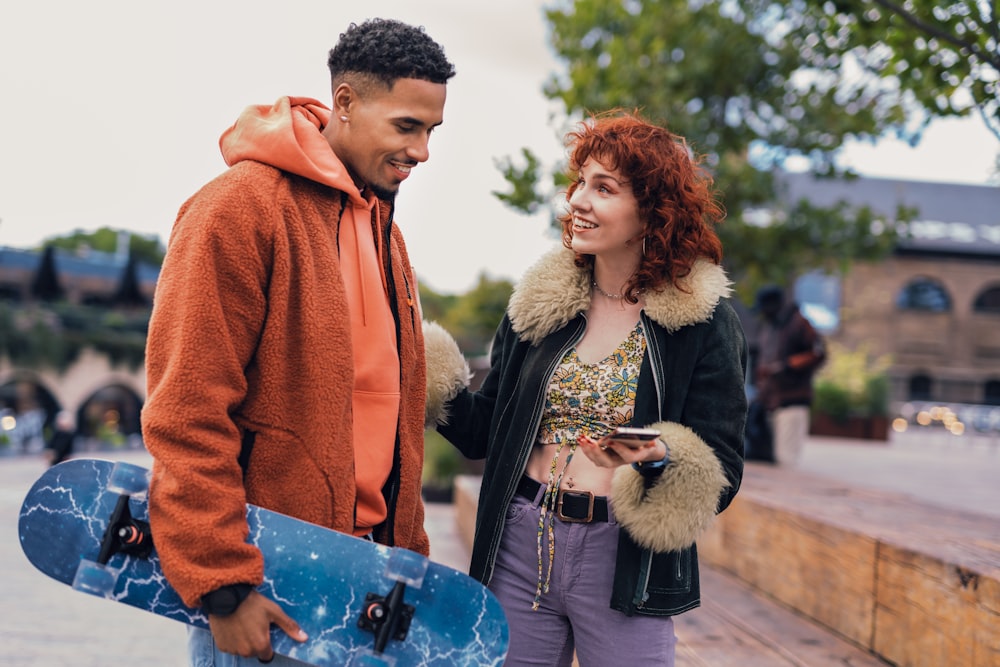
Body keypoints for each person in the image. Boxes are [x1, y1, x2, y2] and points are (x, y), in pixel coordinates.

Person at [141, 18, 455, 666]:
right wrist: (224, 588)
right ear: (344, 102)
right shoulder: (237, 210)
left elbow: (391, 427)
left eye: (432, 131)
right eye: (406, 126)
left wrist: (404, 568)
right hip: (267, 590)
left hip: (365, 587)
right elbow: (186, 412)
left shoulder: (386, 235)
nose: (423, 150)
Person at [423, 111, 747, 666]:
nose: (579, 200)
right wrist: (424, 373)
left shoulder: (702, 322)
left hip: (623, 558)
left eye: (605, 188)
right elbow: (487, 434)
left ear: (652, 210)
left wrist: (656, 454)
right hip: (521, 542)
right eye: (579, 183)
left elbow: (721, 468)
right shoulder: (539, 305)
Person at [749, 285, 826, 465]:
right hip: (770, 401)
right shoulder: (770, 326)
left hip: (793, 399)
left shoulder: (799, 323)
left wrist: (786, 366)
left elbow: (817, 353)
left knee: (786, 459)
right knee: (772, 458)